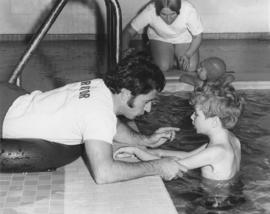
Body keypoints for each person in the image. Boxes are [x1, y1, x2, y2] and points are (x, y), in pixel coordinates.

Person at [1, 52, 187, 184]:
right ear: (125, 93)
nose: (148, 108)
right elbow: (104, 173)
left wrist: (145, 140)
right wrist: (157, 167)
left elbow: (112, 124)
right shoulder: (99, 114)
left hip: (9, 97)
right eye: (147, 101)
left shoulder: (100, 86)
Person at [114, 83, 245, 181]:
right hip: (228, 196)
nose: (191, 117)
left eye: (197, 114)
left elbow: (173, 167)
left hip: (215, 204)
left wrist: (137, 152)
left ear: (214, 121)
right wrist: (152, 152)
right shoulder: (231, 140)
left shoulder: (216, 151)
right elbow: (186, 155)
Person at [122, 0, 203, 73]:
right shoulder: (150, 10)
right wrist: (125, 49)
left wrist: (188, 54)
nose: (168, 19)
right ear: (157, 10)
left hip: (183, 37)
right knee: (163, 67)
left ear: (179, 10)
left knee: (191, 68)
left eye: (173, 14)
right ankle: (163, 55)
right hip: (160, 37)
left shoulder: (188, 9)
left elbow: (198, 36)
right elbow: (128, 31)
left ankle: (172, 58)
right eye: (163, 14)